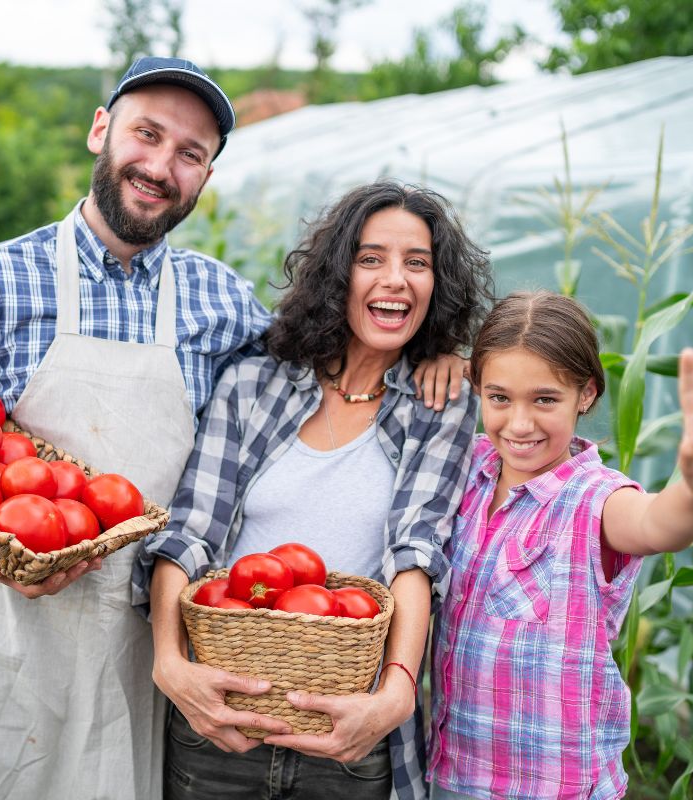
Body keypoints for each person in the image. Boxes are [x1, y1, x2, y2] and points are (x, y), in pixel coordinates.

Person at [0, 57, 274, 800]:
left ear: (206, 176)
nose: (160, 167)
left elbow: (315, 380)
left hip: (142, 646)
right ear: (100, 130)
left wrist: (430, 344)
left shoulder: (222, 299)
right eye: (145, 135)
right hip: (4, 634)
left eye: (190, 154)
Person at [136, 180, 496, 800]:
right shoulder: (255, 384)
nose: (395, 280)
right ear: (338, 274)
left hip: (348, 731)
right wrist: (170, 661)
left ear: (438, 286)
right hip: (221, 721)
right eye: (370, 258)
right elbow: (191, 531)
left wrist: (398, 690)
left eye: (418, 263)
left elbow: (417, 549)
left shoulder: (441, 404)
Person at [426, 291, 693, 800]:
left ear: (587, 394)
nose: (518, 423)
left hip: (553, 788)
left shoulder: (595, 500)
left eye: (545, 399)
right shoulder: (465, 472)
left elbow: (657, 523)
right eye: (499, 398)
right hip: (449, 774)